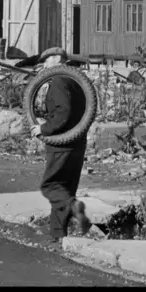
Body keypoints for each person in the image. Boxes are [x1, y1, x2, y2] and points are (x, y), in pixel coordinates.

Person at [30, 47, 92, 243]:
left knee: (51, 186)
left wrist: (44, 129)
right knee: (65, 187)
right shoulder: (76, 81)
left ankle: (73, 207)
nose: (44, 65)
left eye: (46, 60)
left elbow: (62, 113)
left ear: (56, 59)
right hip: (77, 142)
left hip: (61, 143)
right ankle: (58, 234)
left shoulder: (57, 81)